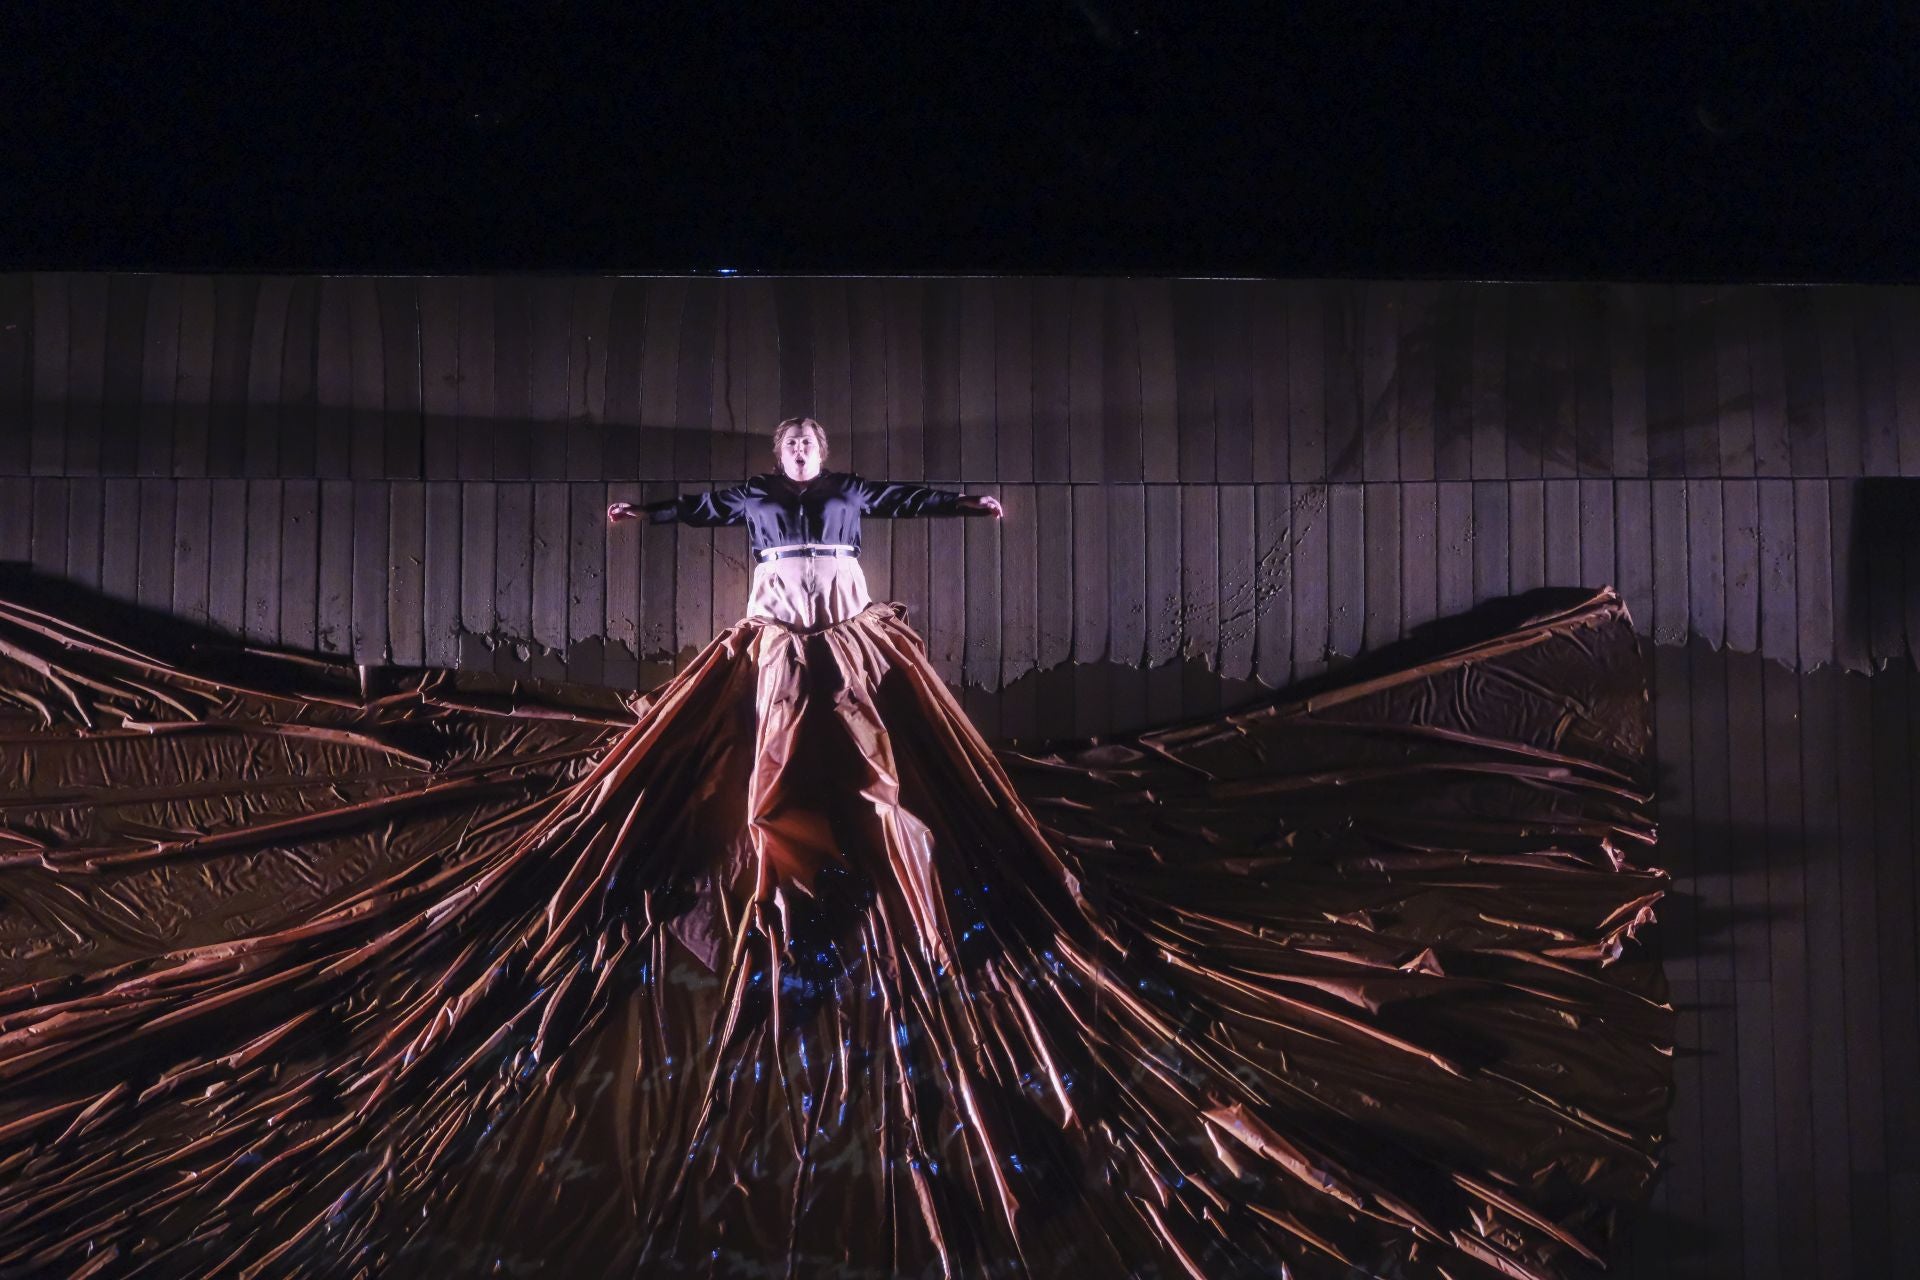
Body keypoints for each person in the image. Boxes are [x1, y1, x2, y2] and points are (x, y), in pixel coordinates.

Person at [0, 415, 1671, 1280]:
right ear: (776, 465)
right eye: (791, 457)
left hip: (839, 633)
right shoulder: (747, 512)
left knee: (861, 731)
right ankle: (805, 838)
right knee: (787, 727)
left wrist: (978, 516)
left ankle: (892, 851)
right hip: (780, 633)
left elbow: (926, 500)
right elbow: (683, 512)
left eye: (810, 458)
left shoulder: (856, 504)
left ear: (823, 464)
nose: (802, 466)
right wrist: (644, 522)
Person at [607, 416, 1003, 629]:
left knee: (840, 664)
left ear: (820, 450)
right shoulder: (757, 490)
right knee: (779, 665)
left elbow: (905, 498)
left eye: (807, 441)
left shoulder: (848, 487)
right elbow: (701, 506)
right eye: (791, 442)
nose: (799, 447)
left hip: (839, 577)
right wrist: (645, 511)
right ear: (780, 453)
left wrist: (964, 502)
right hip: (779, 579)